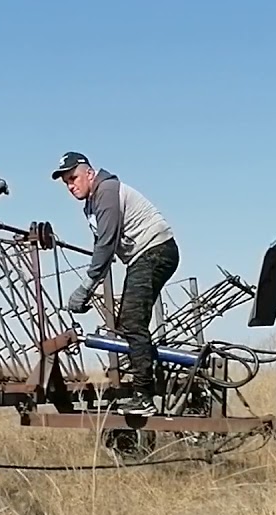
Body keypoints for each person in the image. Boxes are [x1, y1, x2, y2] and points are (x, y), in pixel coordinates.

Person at [51, 151, 179, 416]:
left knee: (133, 322)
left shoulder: (107, 191)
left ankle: (144, 397)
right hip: (144, 256)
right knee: (129, 324)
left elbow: (106, 245)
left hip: (155, 251)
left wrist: (86, 286)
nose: (71, 186)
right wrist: (91, 286)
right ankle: (148, 383)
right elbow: (103, 247)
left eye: (73, 178)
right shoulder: (93, 202)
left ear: (89, 172)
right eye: (66, 183)